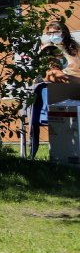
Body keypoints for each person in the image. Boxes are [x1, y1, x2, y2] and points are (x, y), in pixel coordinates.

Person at [29, 19, 80, 158]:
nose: (52, 35)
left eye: (55, 32)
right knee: (54, 74)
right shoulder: (49, 49)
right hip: (61, 84)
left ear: (63, 32)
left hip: (72, 83)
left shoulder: (75, 48)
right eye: (49, 33)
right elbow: (51, 73)